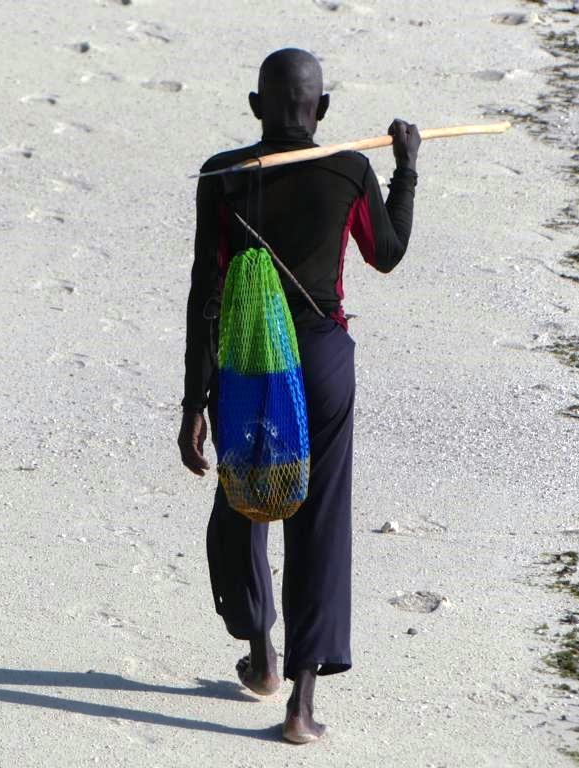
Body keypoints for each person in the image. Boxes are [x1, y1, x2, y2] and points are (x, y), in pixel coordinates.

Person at [178, 47, 419, 744]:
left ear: (257, 108)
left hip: (248, 360)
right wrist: (406, 167)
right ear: (324, 109)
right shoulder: (350, 165)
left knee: (243, 497)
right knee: (318, 521)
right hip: (319, 361)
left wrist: (194, 400)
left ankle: (260, 656)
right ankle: (301, 708)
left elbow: (205, 291)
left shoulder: (224, 174)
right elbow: (388, 251)